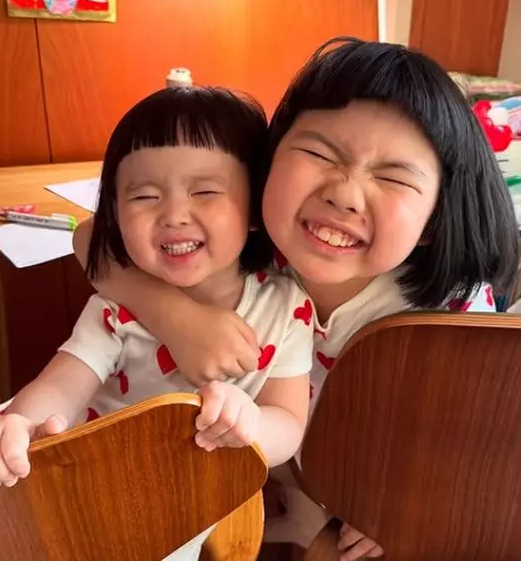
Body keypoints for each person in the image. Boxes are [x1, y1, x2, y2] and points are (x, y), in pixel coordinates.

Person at [71, 39, 519, 560]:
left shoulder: (451, 312)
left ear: (435, 220)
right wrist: (175, 316)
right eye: (318, 154)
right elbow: (88, 237)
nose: (343, 194)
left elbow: (485, 438)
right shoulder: (251, 249)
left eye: (392, 177)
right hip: (270, 464)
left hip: (383, 491)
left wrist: (416, 502)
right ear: (266, 163)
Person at [0, 86, 314, 560]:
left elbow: (287, 422)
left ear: (255, 207)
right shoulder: (119, 308)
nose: (173, 215)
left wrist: (249, 425)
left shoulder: (286, 308)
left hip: (177, 507)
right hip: (80, 486)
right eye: (144, 195)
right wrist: (21, 424)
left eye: (205, 191)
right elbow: (61, 385)